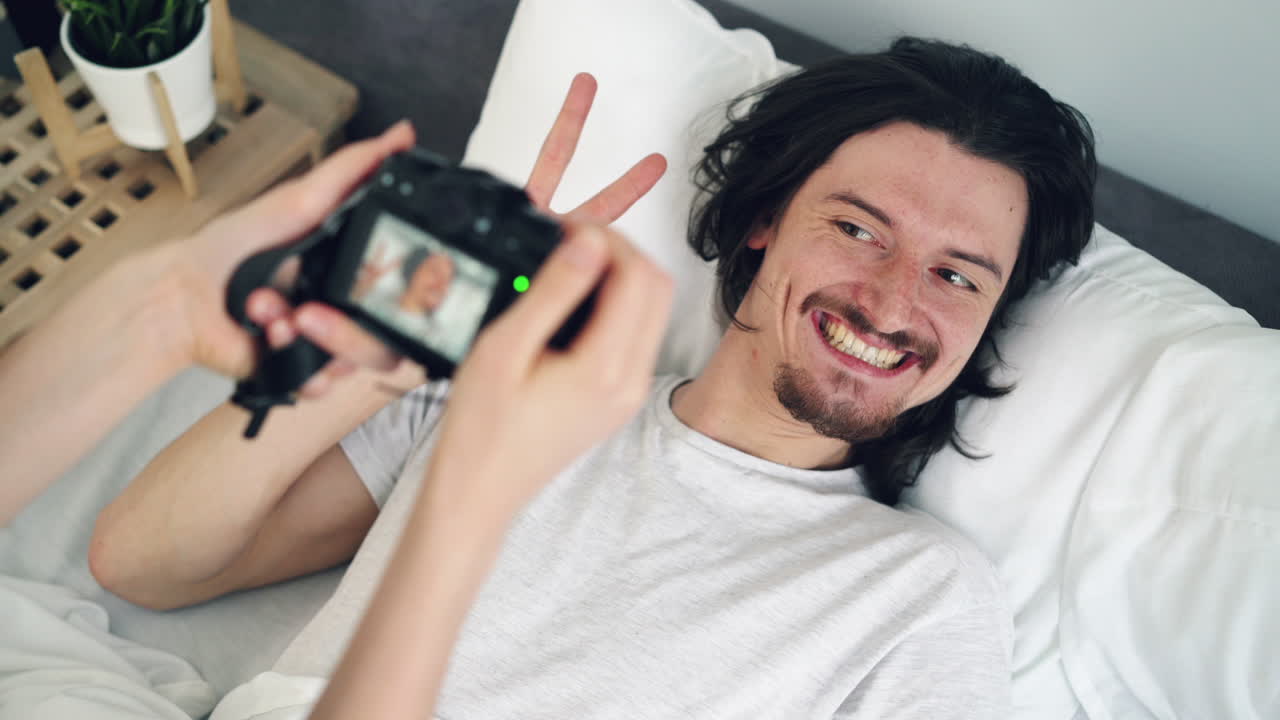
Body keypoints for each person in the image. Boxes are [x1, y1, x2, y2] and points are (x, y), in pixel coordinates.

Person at [89, 37, 1096, 718]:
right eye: (855, 227)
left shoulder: (917, 593)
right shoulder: (494, 390)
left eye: (955, 275)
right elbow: (147, 564)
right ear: (762, 220)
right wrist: (409, 322)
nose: (888, 299)